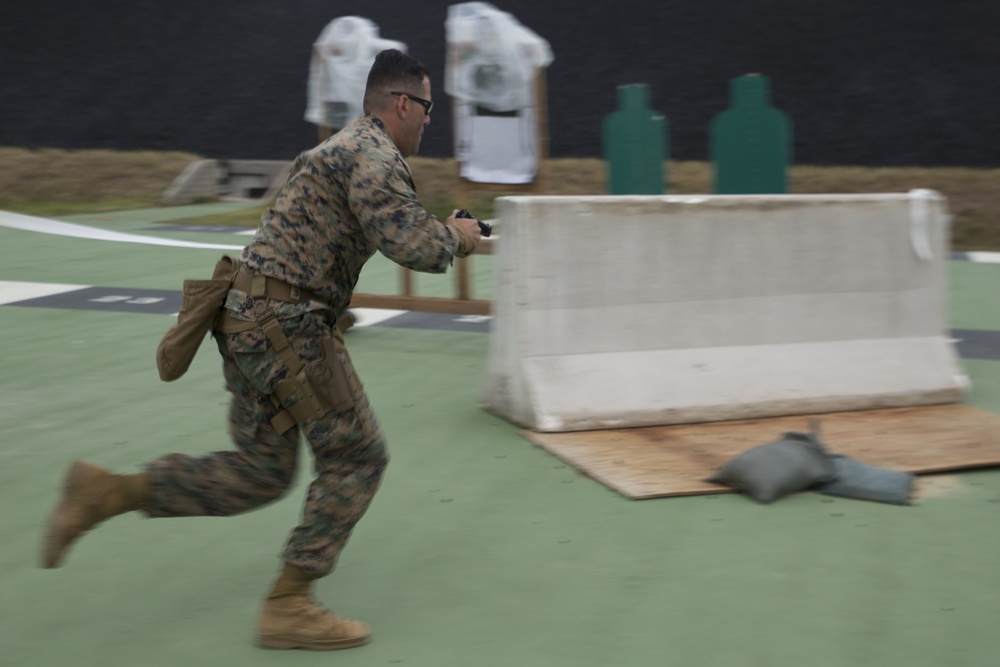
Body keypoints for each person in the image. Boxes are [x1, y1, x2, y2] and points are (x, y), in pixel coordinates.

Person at [41, 49, 482, 651]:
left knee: (261, 471)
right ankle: (289, 604)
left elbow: (351, 230)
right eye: (429, 107)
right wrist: (457, 238)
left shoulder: (340, 149)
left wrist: (439, 234)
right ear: (402, 104)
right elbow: (417, 246)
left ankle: (108, 492)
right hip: (287, 328)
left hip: (247, 317)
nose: (432, 120)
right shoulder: (376, 155)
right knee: (357, 456)